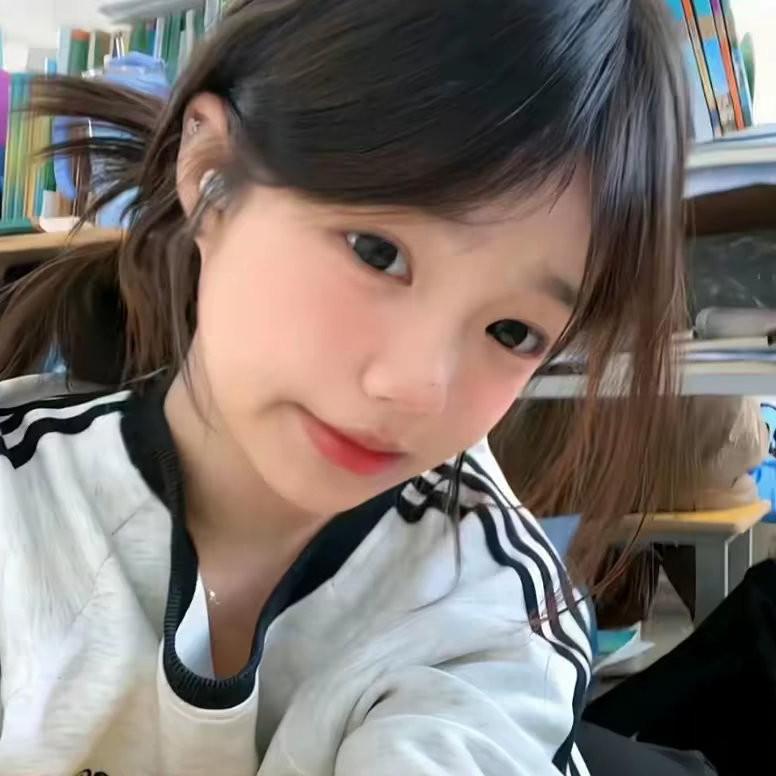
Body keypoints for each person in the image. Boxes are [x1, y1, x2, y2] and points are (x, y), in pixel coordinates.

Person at [0, 1, 689, 774]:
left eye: (511, 332)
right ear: (212, 172)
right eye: (376, 251)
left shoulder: (492, 611)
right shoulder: (19, 507)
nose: (415, 388)